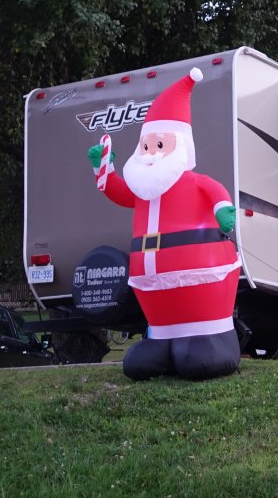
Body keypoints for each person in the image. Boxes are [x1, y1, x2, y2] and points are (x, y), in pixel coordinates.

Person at [88, 67, 242, 381]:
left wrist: (223, 209)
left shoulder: (194, 181)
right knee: (153, 347)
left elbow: (216, 192)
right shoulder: (142, 189)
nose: (150, 154)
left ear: (181, 146)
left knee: (199, 352)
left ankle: (211, 338)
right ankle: (160, 341)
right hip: (153, 288)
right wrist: (103, 167)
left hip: (202, 283)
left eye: (160, 146)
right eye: (146, 146)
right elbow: (116, 191)